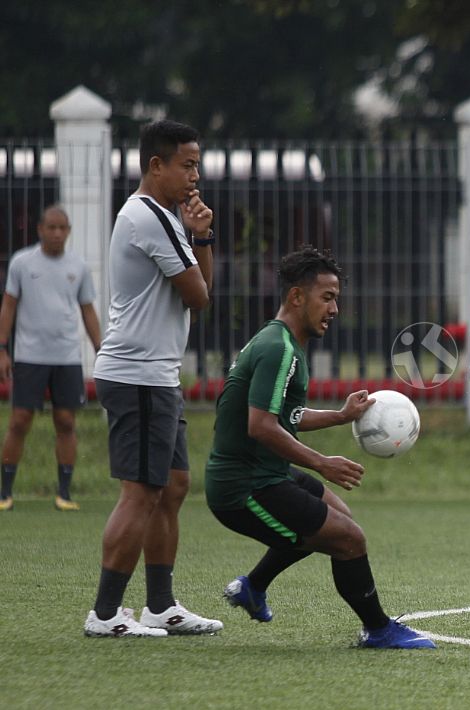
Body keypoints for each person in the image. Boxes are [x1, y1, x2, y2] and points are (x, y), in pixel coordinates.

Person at [206, 247, 435, 650]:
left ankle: (252, 586)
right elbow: (261, 426)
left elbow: (284, 415)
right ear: (297, 297)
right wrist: (321, 463)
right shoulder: (279, 350)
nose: (335, 309)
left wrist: (341, 416)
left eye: (336, 299)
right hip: (243, 488)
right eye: (327, 298)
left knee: (338, 516)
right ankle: (378, 629)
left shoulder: (280, 342)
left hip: (265, 473)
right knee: (348, 539)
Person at [84, 119, 223, 638]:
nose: (195, 176)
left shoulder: (164, 217)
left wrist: (204, 234)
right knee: (140, 492)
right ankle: (104, 614)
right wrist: (197, 235)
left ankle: (160, 606)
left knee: (173, 487)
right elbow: (199, 295)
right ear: (155, 166)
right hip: (138, 375)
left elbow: (201, 290)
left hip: (156, 375)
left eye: (197, 165)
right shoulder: (150, 217)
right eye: (186, 165)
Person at [0, 205, 102, 511]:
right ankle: (5, 492)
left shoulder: (79, 267)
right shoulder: (22, 263)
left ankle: (65, 493)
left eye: (62, 228)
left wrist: (103, 349)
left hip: (67, 356)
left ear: (69, 231)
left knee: (66, 421)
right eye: (51, 227)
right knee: (19, 421)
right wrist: (2, 348)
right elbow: (8, 306)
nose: (57, 233)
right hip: (30, 356)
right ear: (40, 230)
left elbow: (87, 311)